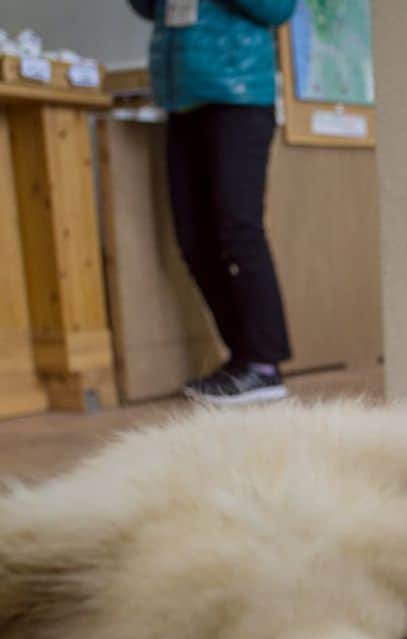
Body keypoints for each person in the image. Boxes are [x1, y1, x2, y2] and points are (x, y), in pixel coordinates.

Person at [127, 0, 297, 404]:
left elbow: (278, 8)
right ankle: (243, 358)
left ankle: (263, 365)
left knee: (238, 229)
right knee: (193, 239)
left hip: (239, 96)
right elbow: (148, 7)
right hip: (180, 98)